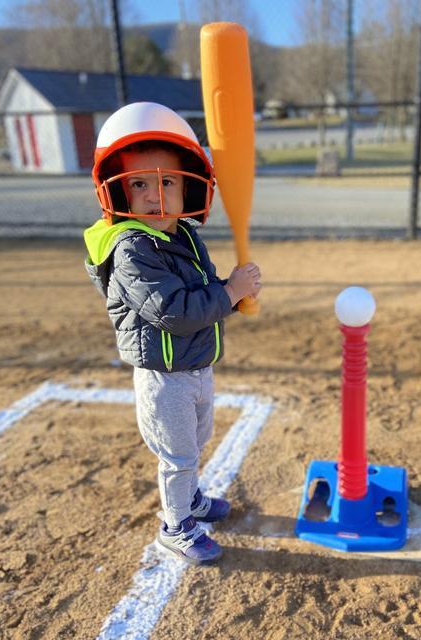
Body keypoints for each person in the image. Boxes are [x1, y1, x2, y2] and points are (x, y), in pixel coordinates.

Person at [83, 101, 261, 565]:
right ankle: (176, 526)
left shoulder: (181, 235)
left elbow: (201, 290)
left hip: (197, 365)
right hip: (164, 376)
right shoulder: (130, 249)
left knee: (196, 442)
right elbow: (174, 311)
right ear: (117, 192)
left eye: (167, 182)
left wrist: (229, 292)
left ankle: (192, 500)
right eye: (139, 183)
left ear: (189, 190)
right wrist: (226, 294)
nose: (153, 195)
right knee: (178, 453)